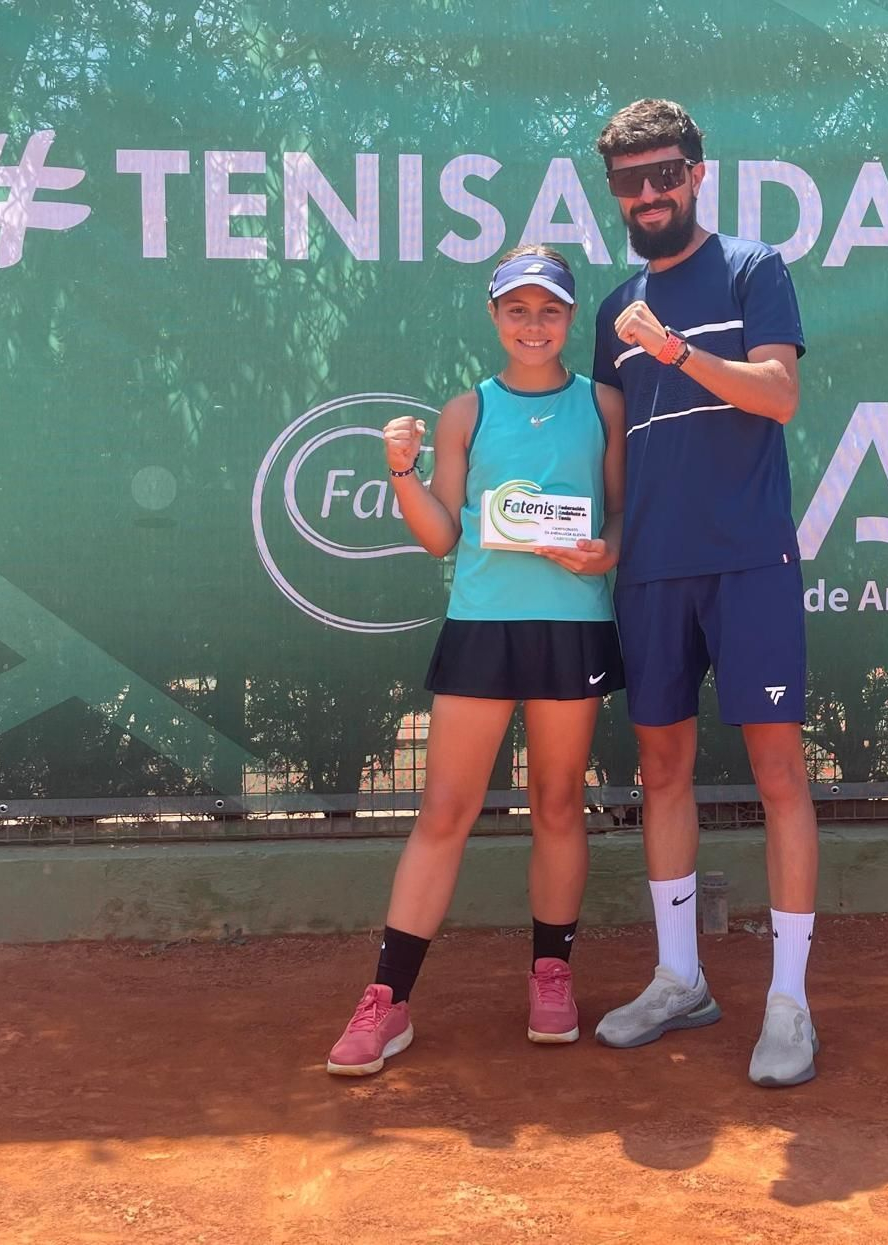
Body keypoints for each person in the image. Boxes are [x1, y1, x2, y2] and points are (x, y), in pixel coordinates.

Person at [326, 245, 626, 1076]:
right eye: (518, 310)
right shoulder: (465, 411)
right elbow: (440, 538)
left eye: (551, 310)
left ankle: (551, 974)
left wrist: (601, 556)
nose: (535, 325)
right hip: (482, 626)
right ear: (494, 317)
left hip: (572, 625)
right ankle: (388, 1001)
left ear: (570, 318)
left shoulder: (604, 404)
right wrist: (400, 468)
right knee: (444, 811)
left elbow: (625, 519)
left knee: (559, 805)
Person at [588, 100, 822, 1087]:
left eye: (663, 174)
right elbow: (613, 450)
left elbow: (778, 395)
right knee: (661, 771)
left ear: (696, 173)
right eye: (628, 182)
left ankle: (788, 1002)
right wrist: (605, 539)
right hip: (650, 569)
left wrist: (679, 351)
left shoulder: (753, 270)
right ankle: (679, 978)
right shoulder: (610, 310)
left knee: (777, 776)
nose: (647, 194)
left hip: (748, 560)